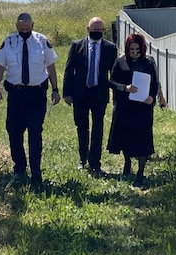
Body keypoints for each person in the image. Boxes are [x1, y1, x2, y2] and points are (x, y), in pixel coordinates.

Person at [0, 12, 60, 186]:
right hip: (16, 95)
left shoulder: (42, 41)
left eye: (27, 28)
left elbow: (50, 67)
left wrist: (55, 89)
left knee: (35, 132)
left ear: (32, 25)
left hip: (36, 95)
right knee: (14, 131)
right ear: (17, 27)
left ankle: (36, 172)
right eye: (21, 29)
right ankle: (20, 167)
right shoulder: (8, 42)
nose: (24, 31)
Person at [107, 33, 166, 186]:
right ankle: (127, 162)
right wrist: (124, 88)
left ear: (142, 49)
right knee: (125, 137)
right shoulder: (120, 62)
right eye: (131, 49)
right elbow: (111, 81)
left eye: (137, 49)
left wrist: (153, 97)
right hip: (125, 106)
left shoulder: (148, 63)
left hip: (143, 108)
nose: (134, 52)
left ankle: (140, 172)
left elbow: (154, 83)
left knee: (143, 139)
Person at [62, 16, 117, 175]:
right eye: (94, 30)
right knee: (82, 127)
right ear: (88, 29)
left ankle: (95, 161)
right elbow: (68, 70)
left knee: (98, 128)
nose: (97, 33)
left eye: (100, 30)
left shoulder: (110, 48)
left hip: (99, 93)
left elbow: (113, 73)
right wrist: (67, 93)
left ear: (103, 31)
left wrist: (116, 93)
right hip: (80, 93)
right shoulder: (77, 46)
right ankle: (83, 158)